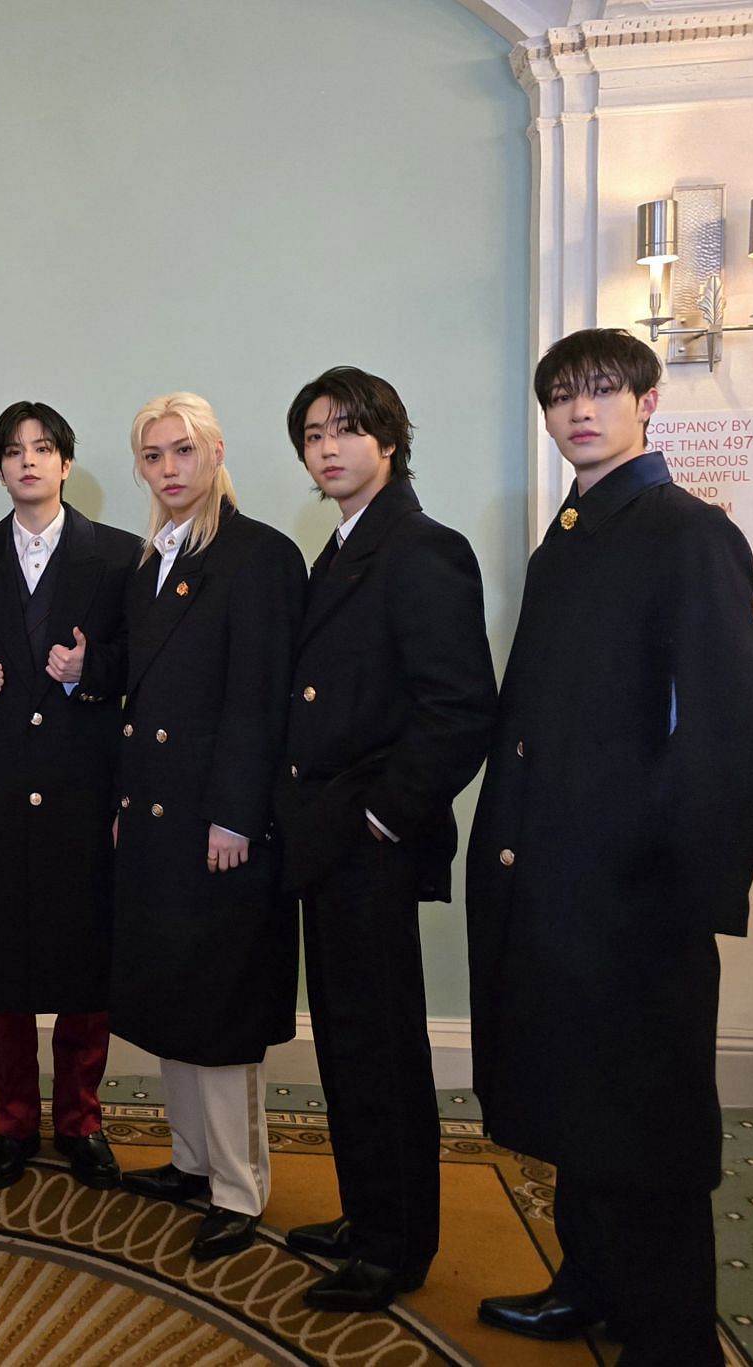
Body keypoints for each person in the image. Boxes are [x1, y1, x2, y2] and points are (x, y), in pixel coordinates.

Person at [468, 328, 753, 1365]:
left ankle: (672, 1337)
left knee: (648, 1129)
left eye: (600, 390)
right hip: (555, 879)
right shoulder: (572, 531)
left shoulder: (687, 530)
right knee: (578, 1102)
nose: (578, 410)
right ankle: (589, 1282)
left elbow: (725, 726)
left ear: (648, 402)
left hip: (637, 895)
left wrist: (690, 892)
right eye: (560, 395)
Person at [272, 367, 497, 1310]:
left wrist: (381, 816)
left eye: (346, 430)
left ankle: (398, 1245)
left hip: (368, 839)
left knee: (386, 1048)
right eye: (314, 434)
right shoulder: (343, 546)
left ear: (389, 440)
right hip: (328, 840)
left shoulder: (422, 548)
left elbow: (461, 710)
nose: (328, 448)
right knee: (348, 1040)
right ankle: (368, 1215)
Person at [112, 392, 305, 1261]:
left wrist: (236, 812)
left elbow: (258, 699)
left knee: (221, 1013)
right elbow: (139, 697)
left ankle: (238, 1185)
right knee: (174, 1000)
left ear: (217, 450)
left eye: (183, 450)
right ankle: (190, 1162)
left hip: (217, 824)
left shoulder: (258, 555)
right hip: (156, 819)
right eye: (153, 456)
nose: (170, 469)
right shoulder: (152, 558)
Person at [0, 400, 139, 1192]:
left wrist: (88, 675)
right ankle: (9, 1120)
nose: (29, 461)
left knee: (85, 962)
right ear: (0, 468)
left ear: (66, 463)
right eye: (14, 451)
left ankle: (81, 1119)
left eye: (44, 448)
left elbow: (143, 670)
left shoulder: (121, 557)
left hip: (82, 790)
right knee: (1, 964)